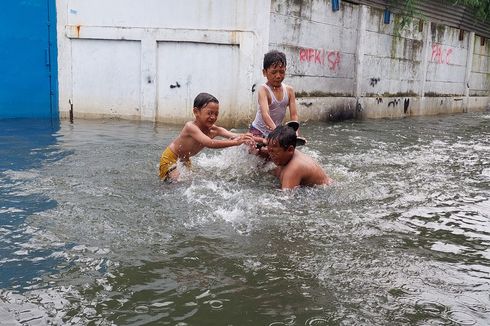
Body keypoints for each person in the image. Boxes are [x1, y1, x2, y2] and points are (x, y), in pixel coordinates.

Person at [159, 92, 254, 181]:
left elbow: (237, 136)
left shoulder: (214, 130)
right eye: (209, 113)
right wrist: (235, 143)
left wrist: (252, 138)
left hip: (185, 160)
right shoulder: (190, 127)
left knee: (190, 182)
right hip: (170, 159)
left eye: (216, 114)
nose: (213, 117)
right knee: (176, 185)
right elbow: (209, 143)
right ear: (196, 112)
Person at [249, 50, 299, 144]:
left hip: (276, 132)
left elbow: (294, 115)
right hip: (258, 131)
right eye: (274, 72)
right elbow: (265, 114)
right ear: (264, 72)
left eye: (281, 72)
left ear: (285, 71)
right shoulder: (263, 90)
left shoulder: (289, 90)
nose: (278, 76)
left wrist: (295, 132)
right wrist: (277, 132)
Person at [267, 125, 332, 190]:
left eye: (275, 152)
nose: (271, 155)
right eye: (269, 150)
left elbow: (286, 198)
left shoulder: (293, 169)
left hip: (324, 191)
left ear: (290, 150)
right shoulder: (286, 155)